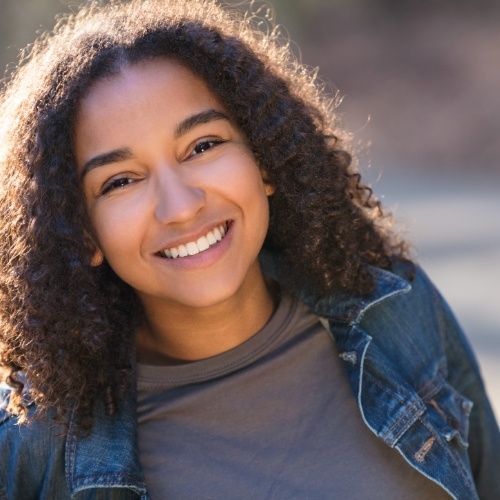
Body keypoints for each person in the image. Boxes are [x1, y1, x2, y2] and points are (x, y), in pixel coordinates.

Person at [0, 0, 498, 498]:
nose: (180, 207)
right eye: (121, 181)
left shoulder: (394, 311)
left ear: (264, 160)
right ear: (81, 233)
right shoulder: (34, 445)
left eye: (202, 146)